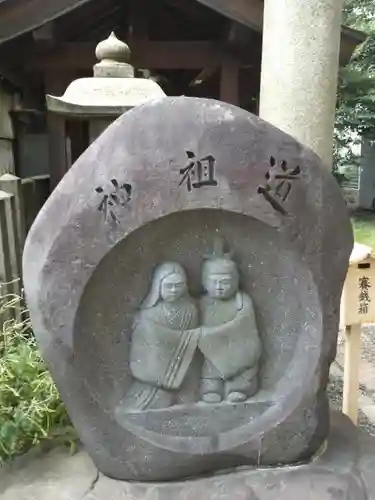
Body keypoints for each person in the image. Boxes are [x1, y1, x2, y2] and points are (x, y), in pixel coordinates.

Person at [124, 262, 200, 411]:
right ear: (158, 287)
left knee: (189, 400)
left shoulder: (190, 311)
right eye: (168, 286)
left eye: (178, 286)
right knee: (158, 402)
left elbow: (191, 344)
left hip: (185, 370)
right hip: (156, 374)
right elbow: (143, 349)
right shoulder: (148, 315)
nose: (173, 291)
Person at [199, 244, 261, 404]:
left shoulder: (242, 301)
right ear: (205, 282)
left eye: (225, 282)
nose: (219, 287)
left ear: (236, 281)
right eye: (214, 282)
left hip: (237, 347)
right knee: (210, 369)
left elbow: (246, 327)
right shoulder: (202, 303)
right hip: (212, 350)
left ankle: (237, 388)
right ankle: (211, 388)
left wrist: (220, 333)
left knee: (242, 369)